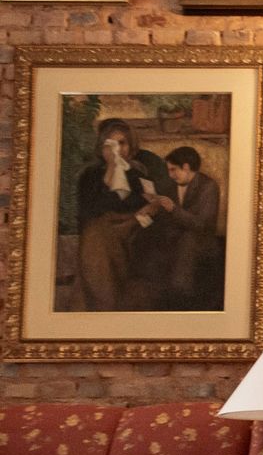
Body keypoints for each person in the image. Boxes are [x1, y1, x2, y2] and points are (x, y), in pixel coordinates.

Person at [73, 118, 164, 311]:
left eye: (122, 143)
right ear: (102, 147)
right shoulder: (90, 176)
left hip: (134, 228)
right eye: (111, 144)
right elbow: (91, 210)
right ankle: (105, 302)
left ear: (130, 146)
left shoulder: (139, 175)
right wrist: (111, 170)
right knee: (96, 235)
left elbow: (152, 209)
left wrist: (144, 213)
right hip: (101, 229)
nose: (117, 149)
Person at [138, 146, 224, 310]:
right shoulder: (171, 186)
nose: (170, 175)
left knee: (187, 240)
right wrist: (153, 209)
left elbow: (201, 225)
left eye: (173, 170)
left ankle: (180, 295)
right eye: (169, 170)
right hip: (174, 236)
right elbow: (167, 219)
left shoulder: (208, 187)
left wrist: (173, 209)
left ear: (186, 167)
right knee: (149, 237)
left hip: (201, 240)